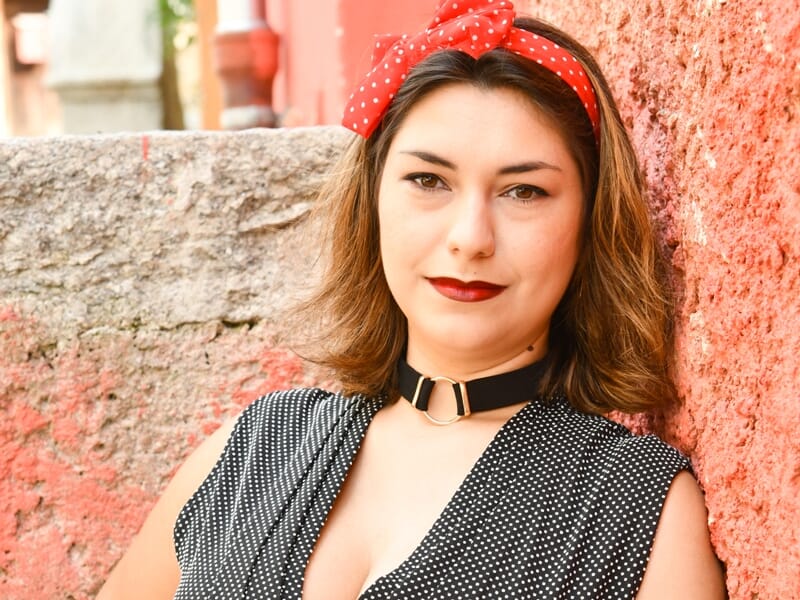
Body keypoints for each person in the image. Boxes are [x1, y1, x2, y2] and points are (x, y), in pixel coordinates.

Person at [98, 0, 726, 598]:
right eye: (428, 181)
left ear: (590, 224)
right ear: (371, 200)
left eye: (525, 192)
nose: (470, 238)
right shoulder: (254, 447)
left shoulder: (635, 508)